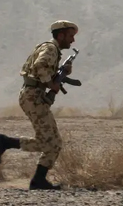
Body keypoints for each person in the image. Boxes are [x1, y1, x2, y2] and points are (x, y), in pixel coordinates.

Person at [0, 20, 79, 190]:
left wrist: (63, 73)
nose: (72, 40)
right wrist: (51, 84)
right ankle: (37, 179)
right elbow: (40, 66)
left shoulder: (51, 49)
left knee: (51, 142)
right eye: (70, 36)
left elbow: (42, 69)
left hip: (33, 96)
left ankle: (9, 145)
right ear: (61, 35)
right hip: (33, 97)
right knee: (53, 143)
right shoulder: (50, 48)